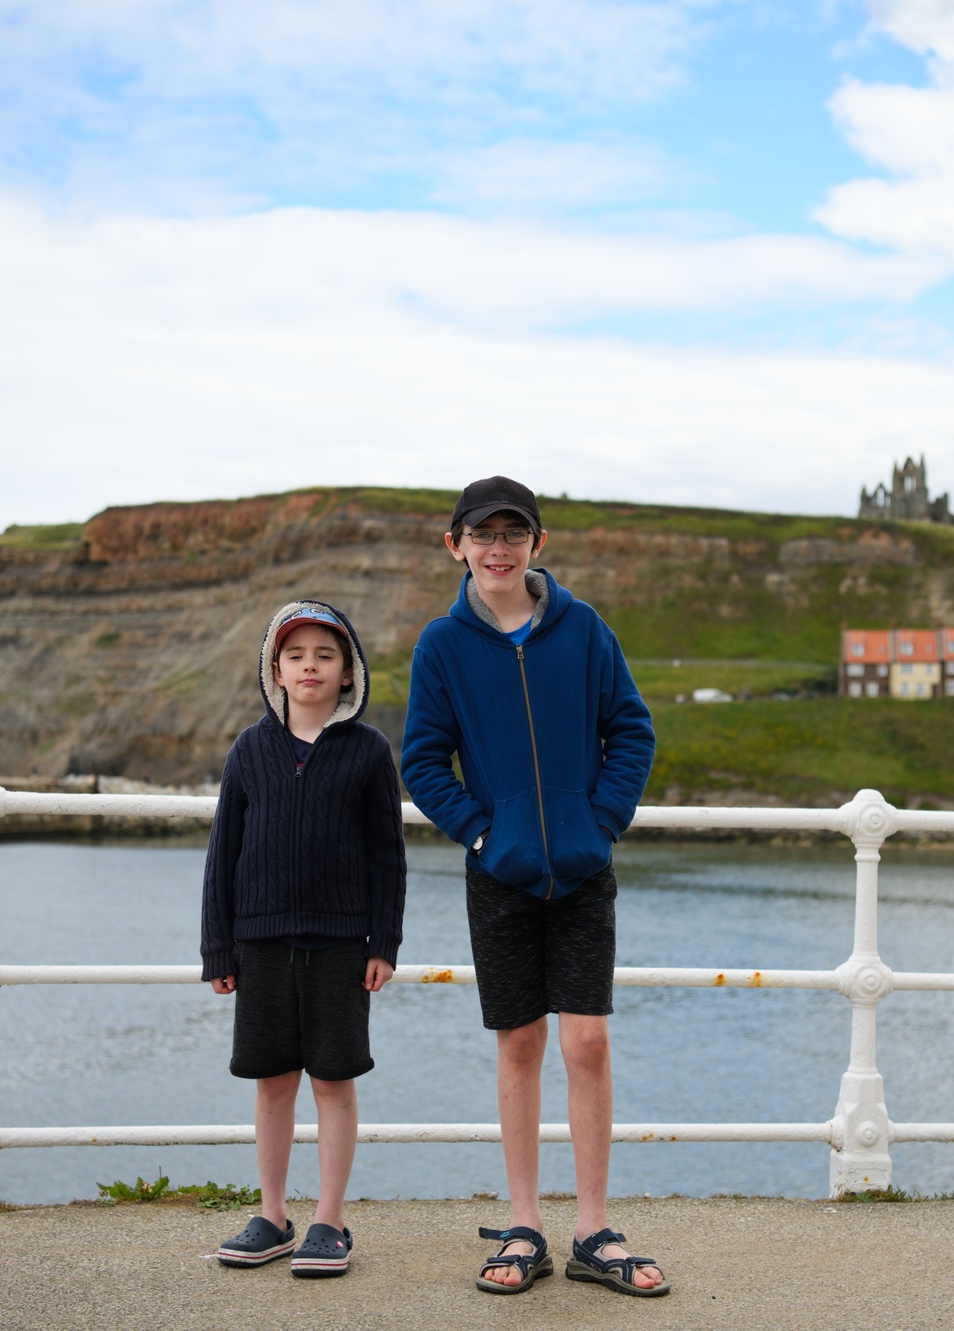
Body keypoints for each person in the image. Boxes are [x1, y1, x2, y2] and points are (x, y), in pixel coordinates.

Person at [400, 476, 668, 1298]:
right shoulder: (442, 645)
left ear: (537, 544)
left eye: (514, 533)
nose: (499, 548)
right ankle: (525, 1225)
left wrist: (600, 822)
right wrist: (484, 834)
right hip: (500, 875)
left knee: (587, 1043)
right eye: (483, 534)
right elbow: (422, 760)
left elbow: (632, 729)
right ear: (456, 545)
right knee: (520, 1043)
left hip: (583, 871)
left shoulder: (583, 630)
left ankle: (593, 1229)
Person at [200, 601, 406, 1279]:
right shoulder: (249, 749)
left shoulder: (369, 752)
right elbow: (223, 853)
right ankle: (273, 1215)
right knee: (272, 1084)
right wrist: (218, 948)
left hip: (342, 946)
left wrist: (383, 943)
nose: (309, 666)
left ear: (348, 672)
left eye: (325, 655)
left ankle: (329, 1219)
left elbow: (387, 857)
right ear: (276, 670)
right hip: (258, 945)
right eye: (295, 656)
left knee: (334, 1083)